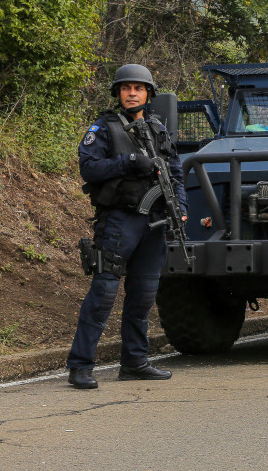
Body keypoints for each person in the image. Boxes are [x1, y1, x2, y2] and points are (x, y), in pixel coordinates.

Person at [67, 64, 187, 389]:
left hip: (155, 222)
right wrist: (129, 162)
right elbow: (88, 168)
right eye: (126, 88)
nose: (132, 93)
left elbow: (175, 171)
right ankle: (80, 366)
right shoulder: (104, 127)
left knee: (143, 295)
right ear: (118, 93)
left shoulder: (159, 128)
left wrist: (181, 207)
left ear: (149, 93)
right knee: (104, 291)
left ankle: (135, 361)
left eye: (138, 88)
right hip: (120, 221)